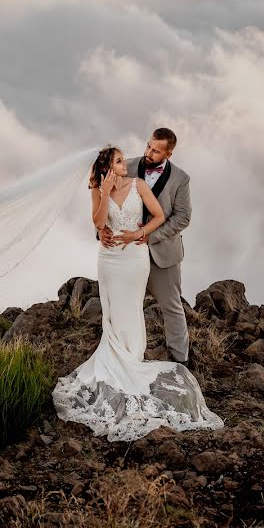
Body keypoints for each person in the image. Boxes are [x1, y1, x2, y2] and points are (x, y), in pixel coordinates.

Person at [52, 144, 222, 442]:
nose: (124, 164)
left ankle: (132, 356)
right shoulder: (97, 187)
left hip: (134, 257)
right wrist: (104, 195)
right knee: (112, 309)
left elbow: (157, 217)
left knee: (131, 307)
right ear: (110, 167)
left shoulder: (138, 184)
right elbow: (97, 221)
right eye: (119, 161)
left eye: (122, 161)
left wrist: (137, 234)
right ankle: (113, 355)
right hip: (109, 259)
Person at [99, 128, 190, 363]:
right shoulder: (124, 165)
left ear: (168, 154)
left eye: (156, 150)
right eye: (148, 145)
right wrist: (101, 230)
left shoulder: (181, 179)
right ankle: (125, 356)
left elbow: (182, 218)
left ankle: (180, 360)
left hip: (162, 253)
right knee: (124, 306)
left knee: (171, 307)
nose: (148, 152)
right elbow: (103, 199)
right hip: (124, 254)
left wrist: (149, 235)